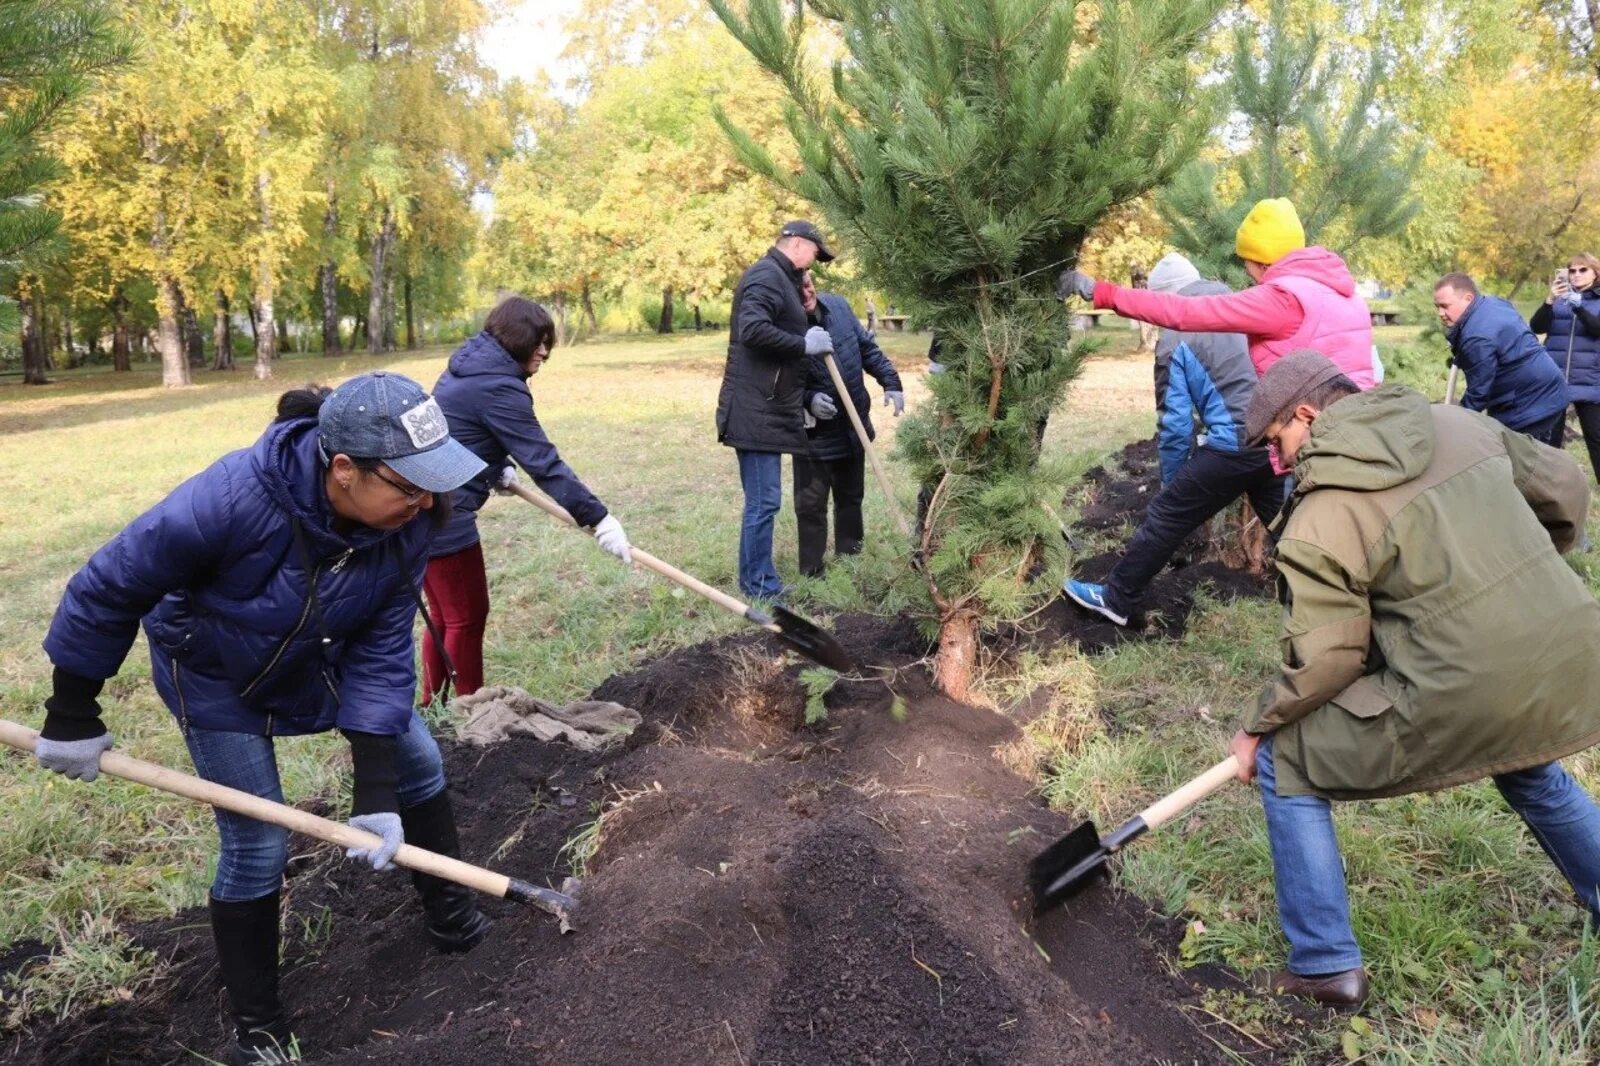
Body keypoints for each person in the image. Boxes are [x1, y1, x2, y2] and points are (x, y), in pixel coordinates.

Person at [34, 373, 493, 1065]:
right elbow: (108, 585)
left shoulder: (408, 522)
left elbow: (381, 649)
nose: (427, 500)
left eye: (434, 481)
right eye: (407, 485)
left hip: (326, 649)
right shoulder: (226, 501)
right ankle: (259, 1030)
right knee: (257, 840)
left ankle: (455, 919)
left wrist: (373, 791)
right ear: (344, 469)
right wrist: (72, 711)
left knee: (418, 761)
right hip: (216, 668)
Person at [1228, 351, 1600, 1009]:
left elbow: (1328, 659)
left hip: (1471, 685)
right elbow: (1568, 486)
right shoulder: (1458, 423)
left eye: (1278, 443)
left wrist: (1260, 725)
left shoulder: (1323, 515)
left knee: (1287, 764)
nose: (1277, 463)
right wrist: (1533, 564)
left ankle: (1324, 965)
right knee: (1525, 760)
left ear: (1307, 414)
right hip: (1574, 649)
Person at [426, 296, 630, 703]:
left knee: (445, 617)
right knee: (466, 617)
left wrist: (493, 465)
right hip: (443, 514)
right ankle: (472, 710)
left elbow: (464, 428)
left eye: (547, 342)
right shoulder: (498, 384)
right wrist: (599, 518)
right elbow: (544, 462)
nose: (544, 351)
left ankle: (434, 705)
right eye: (537, 341)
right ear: (514, 338)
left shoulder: (471, 366)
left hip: (418, 506)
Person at [1062, 252, 1282, 626]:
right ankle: (1331, 592)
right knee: (1288, 523)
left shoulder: (1173, 340)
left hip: (1235, 442)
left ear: (1162, 300)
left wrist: (1173, 483)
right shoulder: (1237, 303)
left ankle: (1116, 599)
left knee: (1166, 514)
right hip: (1279, 439)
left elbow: (1177, 426)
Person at [1056, 198, 1380, 390]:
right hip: (1357, 424)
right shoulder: (1341, 290)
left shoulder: (1281, 299)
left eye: (1245, 260)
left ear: (1258, 259)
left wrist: (1099, 291)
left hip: (1319, 438)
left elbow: (1183, 312)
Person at [716, 220, 839, 599]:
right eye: (815, 254)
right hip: (754, 409)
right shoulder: (766, 276)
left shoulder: (785, 280)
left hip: (768, 407)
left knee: (766, 500)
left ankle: (759, 579)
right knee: (763, 501)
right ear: (798, 244)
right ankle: (758, 586)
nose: (814, 263)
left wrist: (810, 310)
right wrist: (803, 344)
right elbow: (752, 329)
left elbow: (792, 327)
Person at [795, 271, 904, 576]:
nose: (805, 293)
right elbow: (777, 382)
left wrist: (891, 382)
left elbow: (867, 350)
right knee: (811, 506)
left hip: (853, 427)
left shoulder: (838, 308)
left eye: (807, 284)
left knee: (851, 497)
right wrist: (809, 399)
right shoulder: (782, 326)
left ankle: (850, 558)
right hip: (814, 438)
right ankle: (812, 571)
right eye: (796, 289)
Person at [1433, 272, 1567, 445]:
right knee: (1546, 463)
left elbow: (1479, 392)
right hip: (1551, 390)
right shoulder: (1493, 303)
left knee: (1530, 466)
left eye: (1445, 306)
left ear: (1467, 298)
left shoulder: (1477, 336)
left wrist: (1456, 422)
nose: (1440, 313)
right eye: (1437, 306)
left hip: (1533, 406)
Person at [1531, 253, 1600, 474]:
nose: (1576, 274)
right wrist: (1549, 300)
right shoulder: (1559, 299)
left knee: (1596, 438)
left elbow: (1597, 329)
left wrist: (1579, 307)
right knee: (1550, 438)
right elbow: (1537, 327)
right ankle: (1549, 484)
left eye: (1583, 270)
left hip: (1590, 380)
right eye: (1572, 270)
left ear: (1595, 273)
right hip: (1555, 379)